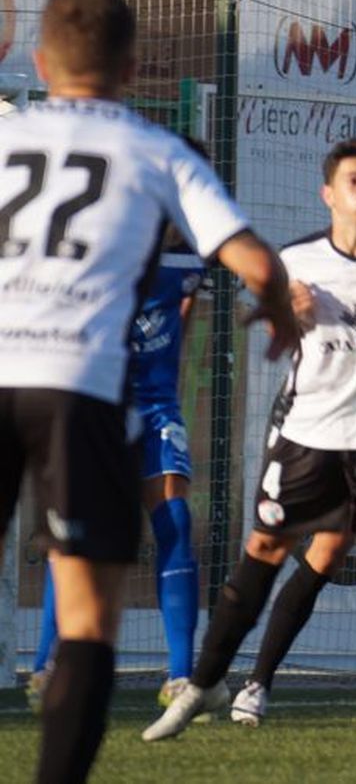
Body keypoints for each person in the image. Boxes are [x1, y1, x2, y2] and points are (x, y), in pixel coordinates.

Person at [0, 0, 296, 784]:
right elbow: (260, 267)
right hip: (80, 390)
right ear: (133, 69)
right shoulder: (156, 149)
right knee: (92, 616)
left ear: (39, 63)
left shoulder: (7, 134)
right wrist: (280, 317)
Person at [143, 141, 356, 748]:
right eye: (355, 179)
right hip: (307, 435)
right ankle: (203, 684)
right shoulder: (294, 258)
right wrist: (287, 308)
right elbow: (270, 316)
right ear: (328, 193)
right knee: (266, 550)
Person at [30, 162, 209, 711]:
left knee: (175, 518)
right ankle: (45, 665)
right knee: (75, 532)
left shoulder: (194, 258)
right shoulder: (101, 250)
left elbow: (186, 312)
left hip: (156, 408)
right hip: (97, 404)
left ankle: (181, 675)